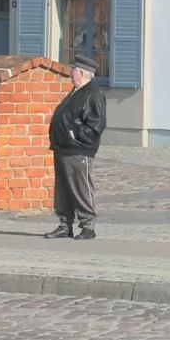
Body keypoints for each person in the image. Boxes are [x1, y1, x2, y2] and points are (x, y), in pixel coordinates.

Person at [45, 55, 106, 240]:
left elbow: (97, 123)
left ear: (81, 74)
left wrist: (76, 134)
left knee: (81, 187)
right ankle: (65, 225)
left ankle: (88, 226)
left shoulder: (93, 93)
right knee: (62, 189)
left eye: (74, 70)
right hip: (62, 147)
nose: (71, 73)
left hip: (78, 149)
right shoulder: (75, 92)